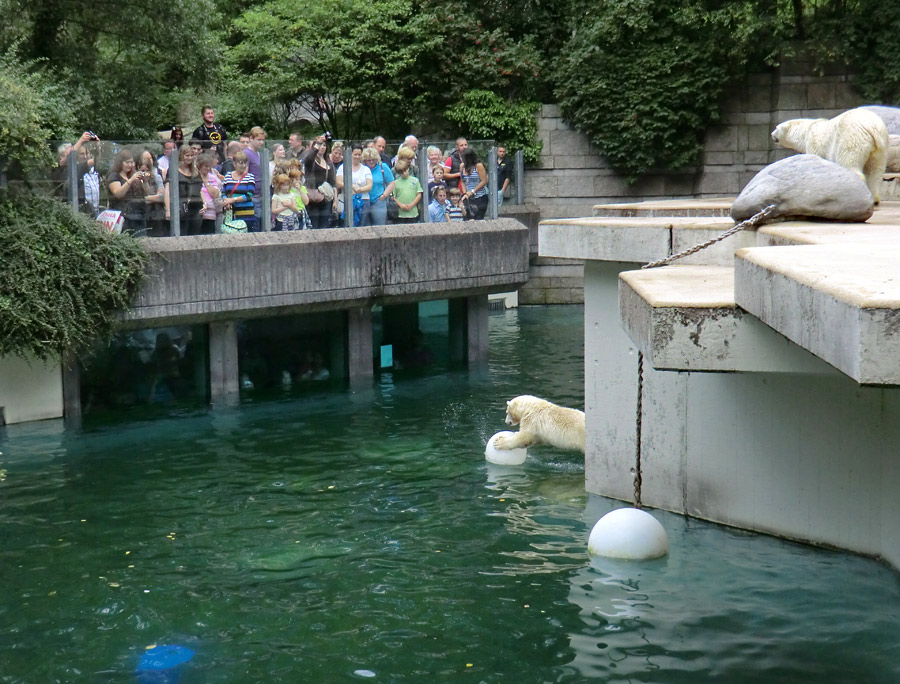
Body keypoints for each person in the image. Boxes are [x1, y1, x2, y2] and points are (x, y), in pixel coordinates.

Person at [108, 149, 151, 236]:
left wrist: (145, 182)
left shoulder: (133, 175)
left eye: (132, 162)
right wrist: (130, 180)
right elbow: (117, 193)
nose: (130, 165)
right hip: (123, 217)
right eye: (127, 162)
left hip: (138, 216)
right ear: (120, 162)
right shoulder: (114, 176)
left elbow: (147, 194)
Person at [164, 145, 203, 236]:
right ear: (181, 156)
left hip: (195, 208)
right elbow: (167, 190)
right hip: (180, 209)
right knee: (181, 235)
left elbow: (200, 189)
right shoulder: (173, 171)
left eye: (191, 155)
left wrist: (204, 204)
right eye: (187, 155)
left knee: (195, 236)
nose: (189, 158)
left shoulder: (195, 172)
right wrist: (168, 210)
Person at [303, 135, 336, 229]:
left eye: (324, 145)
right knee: (314, 225)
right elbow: (308, 158)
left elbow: (333, 183)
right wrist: (318, 143)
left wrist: (335, 200)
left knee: (324, 226)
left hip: (325, 198)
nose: (322, 147)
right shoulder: (311, 161)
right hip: (312, 197)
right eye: (320, 145)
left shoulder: (329, 162)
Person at [336, 144, 373, 227]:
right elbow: (339, 183)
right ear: (351, 154)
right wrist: (351, 186)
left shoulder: (366, 169)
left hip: (363, 200)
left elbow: (369, 186)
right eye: (355, 154)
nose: (357, 157)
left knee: (362, 226)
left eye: (359, 155)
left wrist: (359, 190)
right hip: (348, 200)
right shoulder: (342, 167)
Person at [221, 150, 256, 231]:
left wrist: (233, 200)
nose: (243, 166)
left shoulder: (250, 177)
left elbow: (249, 195)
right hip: (231, 214)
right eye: (241, 163)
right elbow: (223, 192)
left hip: (246, 214)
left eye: (245, 163)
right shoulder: (228, 176)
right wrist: (226, 201)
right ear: (234, 164)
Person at [362, 147, 394, 226]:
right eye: (369, 160)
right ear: (364, 160)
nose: (372, 162)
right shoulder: (362, 169)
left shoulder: (383, 167)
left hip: (378, 201)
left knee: (379, 226)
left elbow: (391, 183)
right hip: (363, 201)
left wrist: (384, 195)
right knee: (364, 226)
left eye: (374, 159)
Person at [139, 150, 166, 236]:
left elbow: (162, 197)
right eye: (143, 171)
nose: (145, 174)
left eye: (147, 171)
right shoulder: (135, 180)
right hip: (142, 214)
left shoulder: (157, 177)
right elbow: (138, 199)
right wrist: (154, 197)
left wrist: (146, 198)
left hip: (157, 215)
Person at [244, 127, 267, 228]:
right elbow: (244, 175)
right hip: (252, 195)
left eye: (263, 140)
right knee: (255, 225)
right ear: (251, 138)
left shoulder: (259, 153)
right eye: (259, 140)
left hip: (262, 194)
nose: (261, 142)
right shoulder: (246, 153)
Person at [460, 148, 489, 220]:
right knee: (467, 217)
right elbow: (462, 181)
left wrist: (473, 191)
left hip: (479, 196)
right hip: (468, 197)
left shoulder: (478, 166)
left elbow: (484, 181)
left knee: (477, 218)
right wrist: (465, 193)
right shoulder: (462, 166)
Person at [197, 153, 222, 235]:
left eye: (209, 166)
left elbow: (215, 194)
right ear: (199, 166)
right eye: (205, 166)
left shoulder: (212, 177)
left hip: (211, 213)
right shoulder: (194, 176)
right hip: (198, 212)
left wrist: (206, 182)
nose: (208, 168)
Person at [391, 159, 422, 224]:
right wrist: (401, 205)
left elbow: (419, 194)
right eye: (401, 172)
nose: (404, 173)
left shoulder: (415, 180)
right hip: (400, 213)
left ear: (408, 169)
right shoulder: (395, 183)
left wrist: (411, 205)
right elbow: (393, 197)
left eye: (405, 171)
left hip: (413, 212)